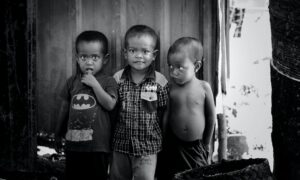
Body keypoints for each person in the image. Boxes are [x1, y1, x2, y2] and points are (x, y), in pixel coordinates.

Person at [55, 30, 118, 180]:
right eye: (84, 57)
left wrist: (95, 85)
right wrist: (58, 132)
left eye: (95, 57)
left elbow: (110, 105)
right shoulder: (72, 81)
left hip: (98, 147)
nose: (89, 62)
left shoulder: (109, 81)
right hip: (74, 145)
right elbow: (64, 108)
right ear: (77, 58)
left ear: (105, 59)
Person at [110, 25, 169, 180]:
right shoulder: (118, 79)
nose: (138, 56)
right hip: (120, 144)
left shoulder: (160, 81)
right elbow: (112, 110)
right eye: (133, 51)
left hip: (148, 147)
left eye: (145, 51)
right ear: (125, 53)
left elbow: (163, 112)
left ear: (154, 55)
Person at [158, 37, 216, 179]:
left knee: (196, 176)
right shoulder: (170, 88)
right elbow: (167, 115)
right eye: (170, 66)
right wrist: (162, 141)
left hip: (196, 147)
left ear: (196, 66)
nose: (173, 72)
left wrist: (206, 144)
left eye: (180, 67)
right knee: (171, 175)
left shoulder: (203, 87)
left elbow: (210, 117)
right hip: (173, 145)